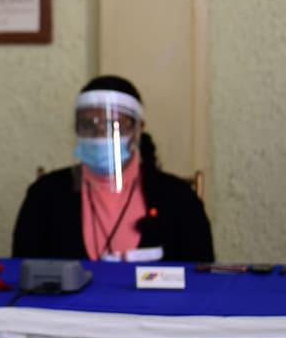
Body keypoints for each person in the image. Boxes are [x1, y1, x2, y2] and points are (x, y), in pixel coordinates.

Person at [11, 75, 214, 262]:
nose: (99, 134)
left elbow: (203, 278)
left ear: (137, 130)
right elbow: (23, 273)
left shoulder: (178, 198)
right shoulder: (45, 194)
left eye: (113, 125)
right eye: (88, 124)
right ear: (76, 129)